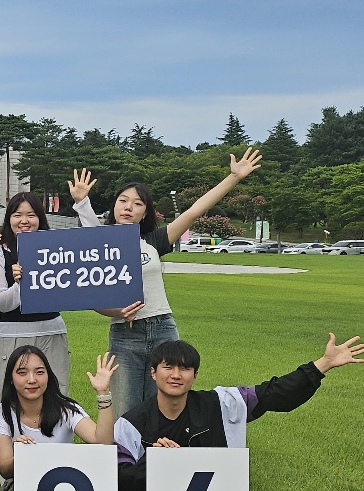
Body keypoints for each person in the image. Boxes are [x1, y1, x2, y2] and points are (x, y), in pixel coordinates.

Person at [113, 333, 364, 491]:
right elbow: (119, 483)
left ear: (195, 375)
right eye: (168, 367)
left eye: (185, 368)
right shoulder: (131, 423)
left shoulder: (221, 404)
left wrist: (323, 364)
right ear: (153, 373)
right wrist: (153, 462)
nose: (176, 375)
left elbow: (273, 394)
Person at [97, 148, 263, 413]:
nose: (128, 207)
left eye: (138, 203)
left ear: (145, 213)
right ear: (114, 206)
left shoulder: (153, 240)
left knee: (165, 407)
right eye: (123, 201)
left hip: (162, 328)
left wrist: (233, 177)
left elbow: (195, 211)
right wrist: (115, 311)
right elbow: (89, 296)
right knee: (125, 412)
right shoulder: (98, 245)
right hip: (125, 335)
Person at [0, 346, 118, 491]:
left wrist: (103, 394)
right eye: (22, 372)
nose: (32, 379)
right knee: (17, 488)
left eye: (39, 372)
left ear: (48, 376)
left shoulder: (66, 409)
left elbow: (103, 442)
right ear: (11, 378)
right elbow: (4, 467)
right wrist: (22, 456)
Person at [0, 171, 102, 387]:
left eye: (31, 215)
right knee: (12, 400)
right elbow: (1, 303)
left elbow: (96, 243)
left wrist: (82, 203)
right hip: (12, 337)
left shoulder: (54, 247)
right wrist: (20, 284)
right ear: (9, 219)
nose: (24, 221)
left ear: (40, 218)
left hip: (52, 333)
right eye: (17, 215)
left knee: (56, 398)